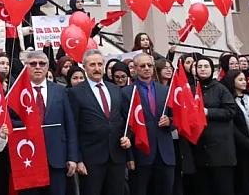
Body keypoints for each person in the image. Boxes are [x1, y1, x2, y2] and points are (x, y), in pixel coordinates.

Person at [13, 50, 78, 195]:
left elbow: (69, 125)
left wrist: (72, 157)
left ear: (47, 67)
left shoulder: (60, 91)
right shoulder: (16, 92)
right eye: (33, 64)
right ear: (26, 67)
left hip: (56, 159)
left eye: (42, 64)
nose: (38, 67)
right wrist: (28, 126)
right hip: (28, 160)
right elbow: (9, 122)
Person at [68, 49, 131, 195]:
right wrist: (78, 159)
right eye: (92, 65)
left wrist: (128, 137)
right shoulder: (75, 92)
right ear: (84, 67)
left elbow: (125, 120)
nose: (97, 68)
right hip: (91, 159)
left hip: (116, 156)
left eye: (100, 64)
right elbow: (73, 128)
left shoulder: (115, 90)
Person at [124, 53, 174, 195]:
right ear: (135, 68)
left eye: (149, 65)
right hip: (141, 154)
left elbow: (177, 117)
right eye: (142, 66)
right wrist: (129, 156)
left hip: (165, 154)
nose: (146, 68)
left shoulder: (165, 90)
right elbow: (125, 127)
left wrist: (169, 121)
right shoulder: (127, 92)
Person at [191, 56, 237, 195]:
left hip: (220, 150)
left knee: (223, 188)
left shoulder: (220, 88)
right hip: (200, 149)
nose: (203, 69)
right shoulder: (192, 89)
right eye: (199, 67)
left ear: (212, 69)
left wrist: (207, 112)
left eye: (206, 66)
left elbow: (230, 110)